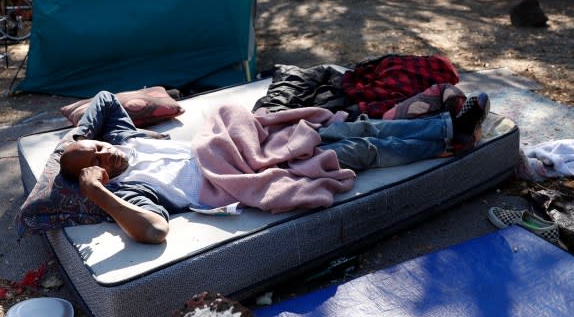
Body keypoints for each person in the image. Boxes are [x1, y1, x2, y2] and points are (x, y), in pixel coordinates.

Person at [58, 90, 490, 244]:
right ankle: (449, 135)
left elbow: (103, 99)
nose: (104, 156)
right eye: (98, 164)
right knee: (356, 152)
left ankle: (448, 124)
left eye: (97, 146)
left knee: (340, 129)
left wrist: (73, 145)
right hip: (243, 174)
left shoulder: (122, 137)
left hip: (246, 143)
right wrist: (97, 190)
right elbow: (154, 231)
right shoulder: (132, 189)